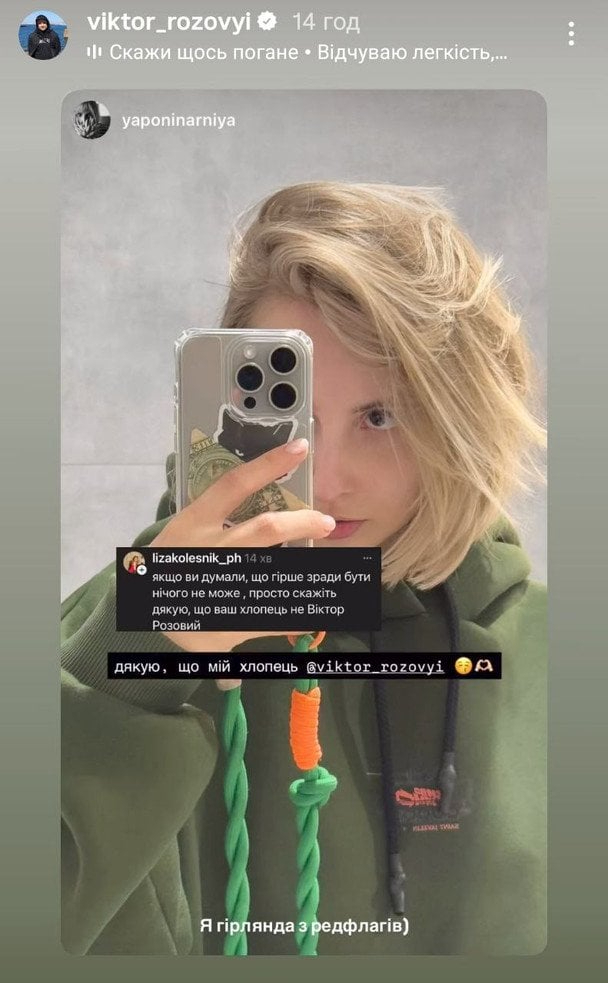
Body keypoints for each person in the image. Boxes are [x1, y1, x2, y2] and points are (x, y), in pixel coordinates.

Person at [61, 183, 547, 956]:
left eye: (381, 416)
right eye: (291, 417)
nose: (328, 480)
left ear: (461, 421)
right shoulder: (100, 637)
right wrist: (143, 648)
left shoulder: (547, 653)